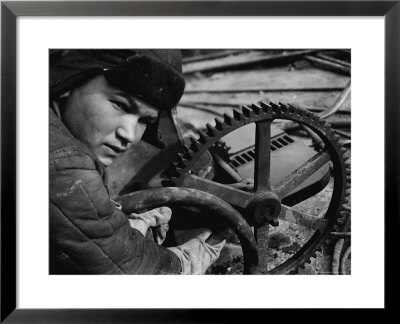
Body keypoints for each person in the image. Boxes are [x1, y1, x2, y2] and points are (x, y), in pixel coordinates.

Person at [49, 49, 225, 274]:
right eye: (120, 105)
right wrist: (182, 262)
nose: (130, 135)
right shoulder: (63, 163)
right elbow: (129, 271)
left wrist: (114, 226)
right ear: (71, 82)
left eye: (145, 120)